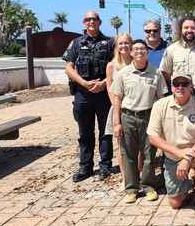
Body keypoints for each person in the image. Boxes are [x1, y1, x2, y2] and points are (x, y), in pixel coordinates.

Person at [147, 72, 195, 226]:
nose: (180, 87)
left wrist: (186, 158)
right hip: (172, 157)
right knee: (175, 203)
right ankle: (192, 180)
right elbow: (153, 138)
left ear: (191, 87)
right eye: (176, 84)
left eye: (185, 84)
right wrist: (179, 154)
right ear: (171, 87)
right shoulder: (160, 105)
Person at [110, 40, 168, 203]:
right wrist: (117, 123)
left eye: (142, 49)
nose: (139, 52)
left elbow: (161, 98)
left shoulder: (155, 73)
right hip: (128, 117)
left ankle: (148, 186)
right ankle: (131, 188)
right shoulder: (124, 73)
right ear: (131, 53)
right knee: (128, 153)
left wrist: (162, 121)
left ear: (147, 52)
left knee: (149, 154)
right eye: (135, 49)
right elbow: (117, 98)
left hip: (149, 117)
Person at [63, 11, 114, 182]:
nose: (91, 21)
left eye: (94, 19)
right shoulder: (77, 43)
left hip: (104, 93)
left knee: (105, 132)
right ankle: (85, 167)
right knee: (85, 131)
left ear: (100, 22)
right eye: (88, 19)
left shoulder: (109, 43)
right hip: (83, 94)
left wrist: (104, 83)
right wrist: (84, 84)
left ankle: (105, 166)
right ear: (84, 23)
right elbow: (69, 67)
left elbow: (117, 66)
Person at [159, 16, 195, 101]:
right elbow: (165, 72)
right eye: (186, 27)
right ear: (181, 30)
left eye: (193, 28)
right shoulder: (171, 49)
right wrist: (178, 83)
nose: (189, 30)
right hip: (179, 96)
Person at [105, 32, 134, 191]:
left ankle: (136, 177)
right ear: (117, 46)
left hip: (136, 110)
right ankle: (125, 178)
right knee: (122, 146)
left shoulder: (138, 63)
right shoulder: (112, 66)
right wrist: (118, 110)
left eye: (126, 43)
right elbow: (110, 89)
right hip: (118, 110)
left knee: (136, 148)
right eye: (120, 43)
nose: (124, 46)